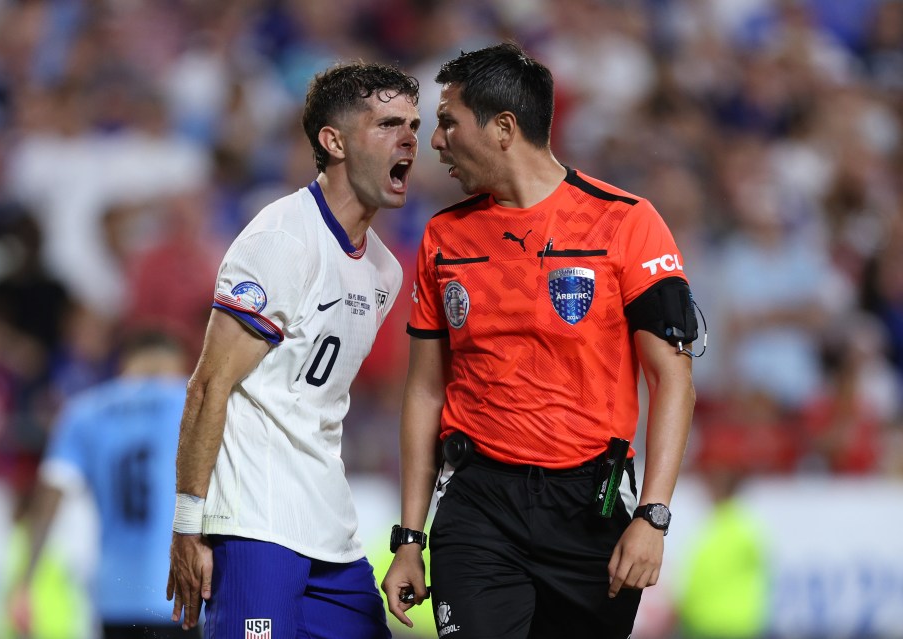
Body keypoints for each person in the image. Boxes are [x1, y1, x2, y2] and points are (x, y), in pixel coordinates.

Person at [381, 42, 697, 639]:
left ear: (503, 127)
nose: (436, 141)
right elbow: (425, 392)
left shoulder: (626, 222)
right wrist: (408, 537)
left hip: (589, 508)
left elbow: (672, 376)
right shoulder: (442, 237)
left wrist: (653, 516)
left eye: (448, 122)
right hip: (478, 505)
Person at [165, 62, 420, 639]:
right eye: (386, 124)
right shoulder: (281, 240)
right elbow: (209, 386)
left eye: (413, 123)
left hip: (331, 528)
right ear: (333, 142)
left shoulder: (384, 269)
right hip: (256, 526)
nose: (409, 139)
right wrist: (188, 526)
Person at [7, 329, 197, 639]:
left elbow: (49, 498)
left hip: (114, 595)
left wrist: (25, 582)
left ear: (124, 365)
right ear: (178, 364)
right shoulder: (194, 403)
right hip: (180, 593)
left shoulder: (85, 411)